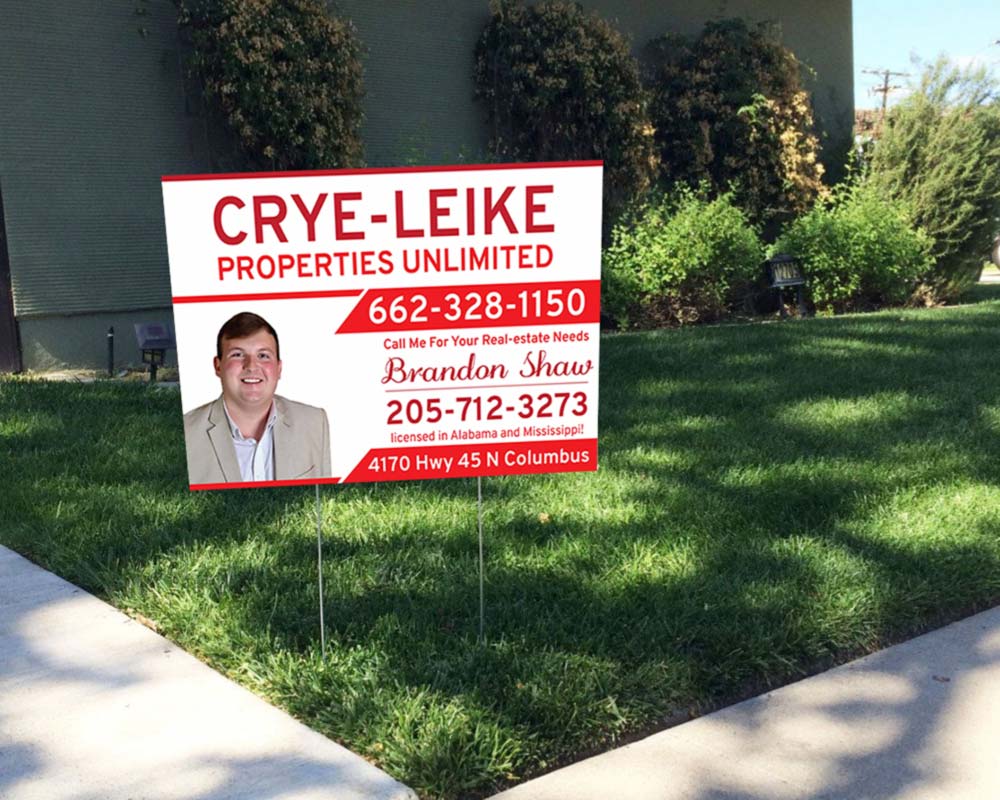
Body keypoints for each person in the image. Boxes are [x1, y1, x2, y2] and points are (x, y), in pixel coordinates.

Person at [183, 312, 331, 484]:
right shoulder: (186, 433)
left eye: (263, 356)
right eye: (237, 354)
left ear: (279, 368)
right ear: (218, 366)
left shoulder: (314, 424)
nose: (252, 366)